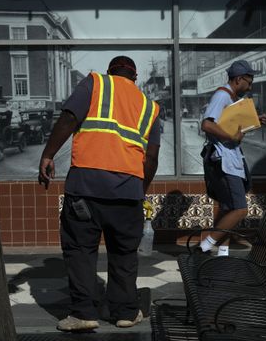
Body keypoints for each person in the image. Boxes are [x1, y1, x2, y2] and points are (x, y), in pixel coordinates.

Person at [38, 56, 160, 331]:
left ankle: (83, 313)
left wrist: (48, 155)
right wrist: (138, 190)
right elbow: (151, 158)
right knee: (125, 253)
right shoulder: (149, 107)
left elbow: (69, 118)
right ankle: (126, 312)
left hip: (86, 187)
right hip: (128, 191)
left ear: (110, 72)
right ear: (135, 77)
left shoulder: (96, 83)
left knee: (80, 251)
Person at [199, 59, 266, 257]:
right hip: (224, 162)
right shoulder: (222, 95)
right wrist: (230, 137)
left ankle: (222, 254)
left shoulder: (232, 99)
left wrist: (253, 122)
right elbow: (207, 125)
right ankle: (203, 246)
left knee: (228, 209)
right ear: (238, 79)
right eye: (249, 80)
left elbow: (233, 129)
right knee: (240, 210)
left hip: (229, 160)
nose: (251, 84)